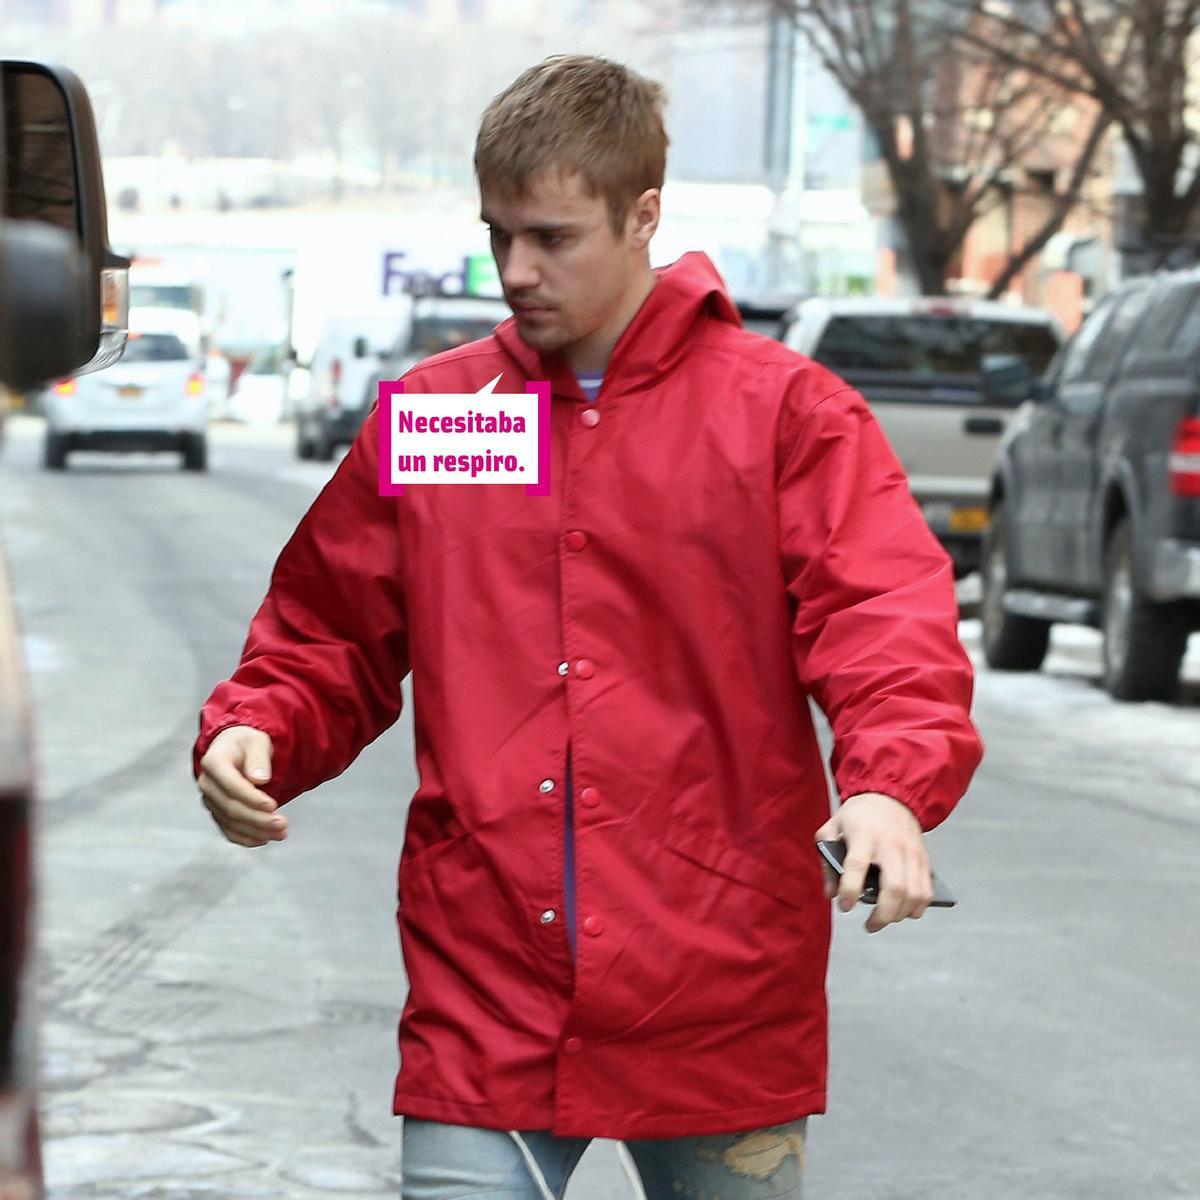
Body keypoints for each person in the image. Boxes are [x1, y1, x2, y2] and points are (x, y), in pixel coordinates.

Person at [193, 55, 983, 1199]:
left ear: (644, 214)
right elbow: (330, 632)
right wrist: (258, 723)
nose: (515, 272)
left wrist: (888, 786)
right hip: (488, 988)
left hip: (717, 985)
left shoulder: (780, 416)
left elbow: (885, 622)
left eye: (552, 238)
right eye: (498, 235)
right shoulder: (449, 419)